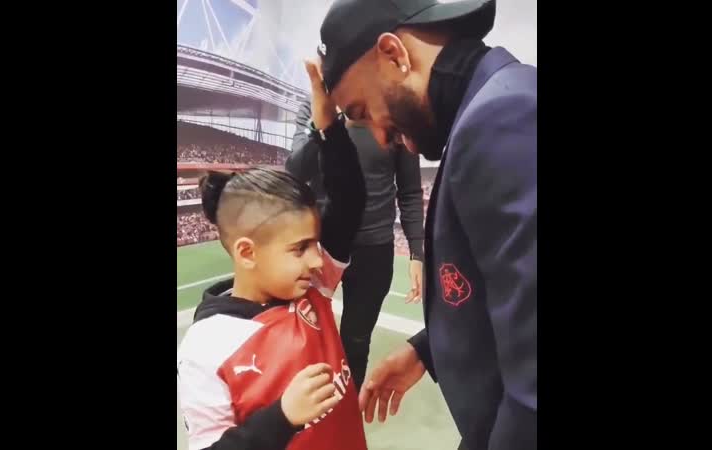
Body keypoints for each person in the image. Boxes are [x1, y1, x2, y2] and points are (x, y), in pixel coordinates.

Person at [315, 1, 537, 449]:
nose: (380, 138)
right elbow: (511, 295)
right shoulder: (495, 103)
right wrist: (426, 349)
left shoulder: (501, 119)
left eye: (362, 110)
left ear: (394, 53)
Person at [176, 60, 368, 449]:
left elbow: (349, 199)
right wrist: (282, 419)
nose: (317, 260)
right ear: (247, 253)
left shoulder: (314, 286)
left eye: (315, 243)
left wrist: (328, 126)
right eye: (299, 248)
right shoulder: (205, 346)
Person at [286, 94, 425, 391]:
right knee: (306, 336)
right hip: (321, 247)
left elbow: (410, 191)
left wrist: (417, 251)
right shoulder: (311, 109)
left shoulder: (394, 111)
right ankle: (307, 411)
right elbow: (296, 170)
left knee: (356, 342)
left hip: (374, 249)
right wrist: (326, 120)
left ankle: (347, 409)